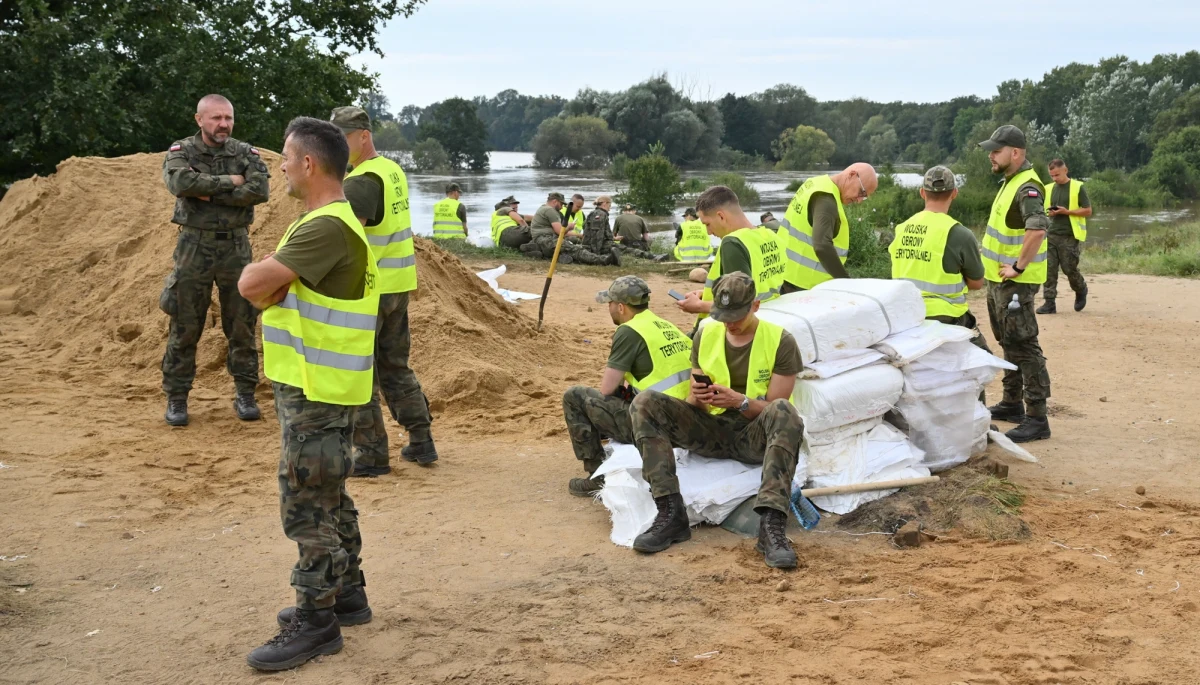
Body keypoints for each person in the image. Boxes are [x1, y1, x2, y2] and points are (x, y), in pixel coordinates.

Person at [237, 116, 379, 671]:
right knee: (330, 490)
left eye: (285, 159)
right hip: (325, 383)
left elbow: (252, 284)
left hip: (317, 387)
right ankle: (347, 594)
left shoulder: (325, 227)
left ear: (309, 163)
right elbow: (270, 287)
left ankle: (316, 620)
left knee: (308, 498)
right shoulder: (330, 222)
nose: (281, 168)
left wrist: (269, 284)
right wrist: (275, 284)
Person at [629, 272, 804, 569]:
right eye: (723, 316)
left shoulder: (780, 341)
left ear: (755, 306)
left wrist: (740, 402)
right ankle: (670, 513)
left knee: (786, 411)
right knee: (645, 402)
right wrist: (699, 397)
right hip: (713, 428)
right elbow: (695, 406)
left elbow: (775, 407)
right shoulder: (706, 333)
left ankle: (771, 525)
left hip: (753, 435)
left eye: (736, 316)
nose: (729, 324)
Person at [332, 106, 438, 476]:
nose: (338, 146)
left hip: (368, 290)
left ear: (364, 136)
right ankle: (421, 440)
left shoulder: (361, 181)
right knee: (395, 366)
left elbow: (347, 237)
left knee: (359, 372)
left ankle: (372, 454)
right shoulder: (391, 169)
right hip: (396, 286)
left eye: (343, 138)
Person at [160, 94, 270, 426]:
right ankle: (177, 398)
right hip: (193, 246)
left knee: (242, 324)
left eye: (228, 118)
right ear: (200, 119)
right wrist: (231, 183)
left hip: (236, 246)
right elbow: (179, 182)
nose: (223, 124)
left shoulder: (244, 152)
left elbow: (260, 190)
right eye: (216, 118)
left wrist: (206, 193)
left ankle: (245, 393)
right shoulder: (181, 151)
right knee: (185, 323)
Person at [562, 276, 692, 497]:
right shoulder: (664, 325)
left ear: (621, 307)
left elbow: (607, 389)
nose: (609, 308)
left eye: (610, 303)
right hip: (687, 419)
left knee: (575, 396)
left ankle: (597, 475)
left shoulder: (629, 331)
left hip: (658, 426)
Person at [978, 125, 1053, 443]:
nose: (991, 156)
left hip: (1016, 284)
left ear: (1016, 152)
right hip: (1000, 282)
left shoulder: (1027, 187)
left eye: (997, 151)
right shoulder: (1010, 182)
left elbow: (1038, 229)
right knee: (1009, 342)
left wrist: (1018, 267)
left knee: (1024, 346)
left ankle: (1037, 418)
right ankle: (1012, 403)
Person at [890, 166, 992, 353]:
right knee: (984, 358)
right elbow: (977, 284)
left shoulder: (901, 228)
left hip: (906, 314)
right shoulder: (961, 234)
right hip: (947, 317)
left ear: (922, 193)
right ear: (954, 193)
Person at [676, 186, 785, 324]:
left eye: (707, 224)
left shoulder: (733, 243)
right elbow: (759, 285)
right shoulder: (771, 235)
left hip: (728, 330)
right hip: (764, 321)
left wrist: (699, 306)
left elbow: (737, 307)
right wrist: (708, 294)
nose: (708, 232)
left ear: (721, 216)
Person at [777, 163, 878, 293]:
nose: (859, 200)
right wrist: (846, 282)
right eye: (861, 192)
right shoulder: (826, 200)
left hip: (785, 275)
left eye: (864, 197)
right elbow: (822, 246)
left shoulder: (815, 183)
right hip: (803, 286)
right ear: (852, 175)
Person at [1040, 158, 1091, 314]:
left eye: (1057, 175)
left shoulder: (1077, 187)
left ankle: (1081, 289)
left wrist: (1066, 212)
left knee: (1069, 269)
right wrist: (1050, 213)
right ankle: (1049, 302)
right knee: (1049, 270)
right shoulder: (1048, 188)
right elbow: (1042, 209)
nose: (1054, 178)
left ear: (1065, 170)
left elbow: (1088, 210)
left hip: (1069, 235)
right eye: (1052, 176)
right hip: (1050, 234)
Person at [527, 192, 621, 265]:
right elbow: (560, 231)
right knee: (574, 249)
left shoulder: (543, 208)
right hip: (545, 239)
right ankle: (603, 260)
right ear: (555, 201)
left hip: (545, 239)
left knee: (572, 248)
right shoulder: (550, 210)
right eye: (561, 204)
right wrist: (569, 227)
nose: (562, 207)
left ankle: (560, 257)